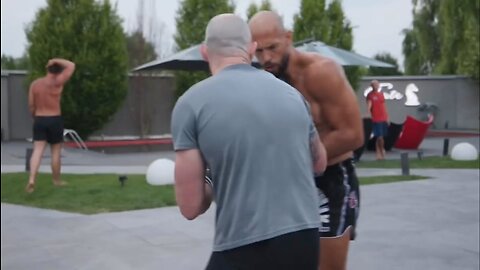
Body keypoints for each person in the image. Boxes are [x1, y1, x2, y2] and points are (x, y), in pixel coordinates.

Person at [171, 13, 327, 270]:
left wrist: (210, 178)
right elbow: (319, 163)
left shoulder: (190, 104)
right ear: (252, 49)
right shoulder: (293, 96)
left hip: (242, 245)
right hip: (304, 240)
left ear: (204, 52)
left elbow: (190, 206)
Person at [249, 11, 364, 270]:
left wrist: (297, 157)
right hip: (290, 184)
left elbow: (353, 134)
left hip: (332, 179)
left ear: (288, 38)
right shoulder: (263, 83)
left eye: (273, 48)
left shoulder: (322, 72)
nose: (266, 58)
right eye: (259, 51)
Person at [25, 58, 76, 193]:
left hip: (40, 118)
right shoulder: (58, 82)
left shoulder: (35, 84)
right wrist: (55, 60)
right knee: (55, 152)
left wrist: (34, 117)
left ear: (47, 69)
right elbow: (71, 65)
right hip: (54, 119)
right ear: (59, 70)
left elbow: (31, 105)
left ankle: (31, 179)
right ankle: (56, 180)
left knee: (37, 151)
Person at [366, 80, 389, 160]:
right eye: (374, 85)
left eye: (377, 84)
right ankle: (380, 151)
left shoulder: (381, 94)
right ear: (371, 86)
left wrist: (387, 117)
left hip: (383, 118)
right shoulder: (370, 95)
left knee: (380, 137)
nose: (375, 86)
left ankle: (379, 153)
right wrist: (369, 115)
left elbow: (384, 106)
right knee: (379, 137)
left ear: (379, 85)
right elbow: (369, 107)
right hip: (376, 119)